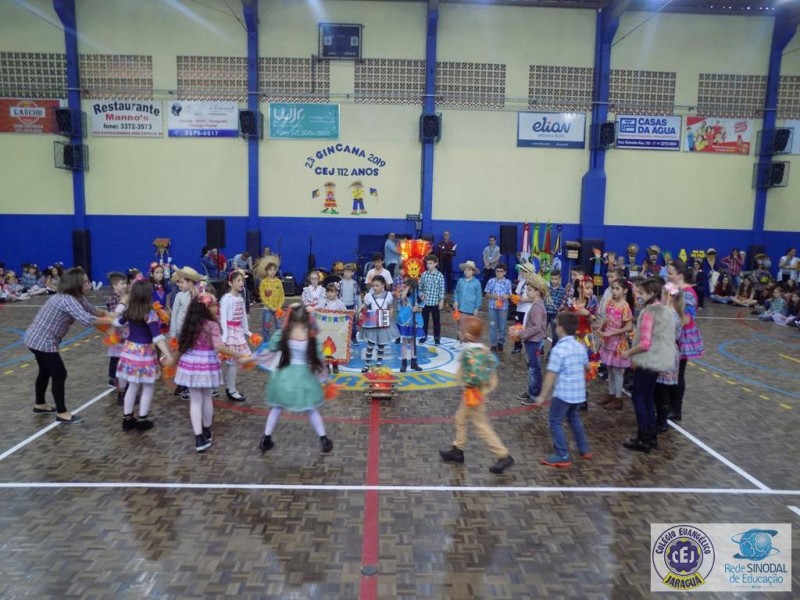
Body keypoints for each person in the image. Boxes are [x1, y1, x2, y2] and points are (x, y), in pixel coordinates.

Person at [24, 267, 113, 423]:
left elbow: (92, 310)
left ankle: (40, 404)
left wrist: (107, 314)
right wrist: (113, 321)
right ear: (75, 284)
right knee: (59, 373)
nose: (89, 284)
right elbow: (87, 320)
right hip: (42, 340)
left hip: (39, 338)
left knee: (45, 371)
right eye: (85, 282)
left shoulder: (77, 297)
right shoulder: (67, 299)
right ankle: (62, 413)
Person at [247, 303, 334, 454]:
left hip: (284, 376)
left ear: (291, 317)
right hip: (304, 378)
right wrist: (326, 380)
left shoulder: (283, 334)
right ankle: (324, 439)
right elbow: (320, 358)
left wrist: (252, 358)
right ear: (307, 318)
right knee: (311, 409)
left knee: (276, 407)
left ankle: (266, 439)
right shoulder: (312, 338)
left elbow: (271, 347)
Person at [439, 316, 515, 475]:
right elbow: (494, 363)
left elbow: (470, 376)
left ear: (468, 334)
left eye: (462, 330)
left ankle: (503, 455)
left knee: (481, 425)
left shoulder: (470, 353)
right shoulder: (481, 349)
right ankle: (458, 449)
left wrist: (469, 383)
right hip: (474, 393)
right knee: (460, 418)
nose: (460, 332)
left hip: (473, 394)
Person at [173, 293, 245, 452]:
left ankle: (199, 437)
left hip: (190, 364)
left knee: (195, 401)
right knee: (206, 397)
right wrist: (239, 354)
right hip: (206, 363)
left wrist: (172, 361)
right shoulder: (212, 325)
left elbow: (181, 346)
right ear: (205, 308)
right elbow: (219, 346)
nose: (216, 307)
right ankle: (206, 430)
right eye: (213, 305)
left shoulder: (190, 323)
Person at [620, 277, 677, 453]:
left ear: (651, 293)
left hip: (647, 360)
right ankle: (651, 437)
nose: (639, 296)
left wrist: (628, 353)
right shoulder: (666, 311)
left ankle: (643, 438)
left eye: (642, 293)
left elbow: (645, 343)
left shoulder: (648, 314)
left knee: (639, 398)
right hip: (658, 360)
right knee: (648, 398)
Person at [532, 312, 592, 468]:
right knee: (574, 418)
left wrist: (542, 396)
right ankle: (584, 449)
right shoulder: (580, 346)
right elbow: (588, 367)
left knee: (554, 422)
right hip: (578, 394)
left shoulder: (558, 350)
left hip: (563, 394)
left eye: (557, 324)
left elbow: (551, 375)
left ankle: (562, 455)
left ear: (561, 329)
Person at [115, 279, 174, 432]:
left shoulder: (130, 310)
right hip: (144, 353)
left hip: (129, 351)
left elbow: (118, 323)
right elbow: (157, 337)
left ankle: (127, 419)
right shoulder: (149, 313)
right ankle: (142, 419)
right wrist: (169, 355)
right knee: (147, 386)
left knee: (132, 385)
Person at [597, 279, 634, 411]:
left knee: (617, 371)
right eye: (613, 288)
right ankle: (611, 394)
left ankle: (618, 398)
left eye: (617, 289)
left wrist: (612, 333)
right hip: (608, 339)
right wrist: (601, 327)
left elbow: (629, 327)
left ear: (625, 290)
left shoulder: (625, 306)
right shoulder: (610, 302)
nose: (614, 291)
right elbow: (607, 318)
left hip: (618, 341)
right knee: (609, 369)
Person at [169, 266, 204, 400]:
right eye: (178, 282)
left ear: (190, 282)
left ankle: (190, 384)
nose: (179, 285)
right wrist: (173, 334)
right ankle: (181, 386)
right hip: (182, 332)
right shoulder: (179, 296)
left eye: (182, 282)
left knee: (192, 359)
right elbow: (174, 315)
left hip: (196, 332)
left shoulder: (200, 295)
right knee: (182, 358)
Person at [654, 282, 684, 433]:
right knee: (662, 388)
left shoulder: (668, 315)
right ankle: (661, 419)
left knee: (661, 389)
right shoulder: (676, 314)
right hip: (670, 351)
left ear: (668, 296)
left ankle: (661, 421)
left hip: (664, 352)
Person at [516, 273, 549, 405]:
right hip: (532, 340)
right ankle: (531, 390)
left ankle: (534, 394)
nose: (527, 292)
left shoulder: (537, 307)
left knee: (534, 368)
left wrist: (520, 333)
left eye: (529, 290)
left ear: (537, 292)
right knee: (531, 367)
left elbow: (536, 327)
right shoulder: (536, 304)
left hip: (534, 341)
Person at [219, 270, 252, 401]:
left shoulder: (240, 298)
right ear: (230, 283)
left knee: (233, 363)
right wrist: (225, 336)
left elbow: (243, 317)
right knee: (231, 362)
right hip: (230, 333)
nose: (241, 283)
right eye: (238, 280)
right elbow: (223, 318)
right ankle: (230, 389)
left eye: (242, 280)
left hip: (237, 332)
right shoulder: (226, 299)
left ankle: (231, 388)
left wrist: (247, 331)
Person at [360, 275, 393, 372]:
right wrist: (360, 310)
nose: (375, 287)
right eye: (373, 285)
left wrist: (390, 313)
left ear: (383, 285)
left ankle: (379, 364)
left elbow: (391, 307)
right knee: (370, 344)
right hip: (372, 322)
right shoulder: (369, 296)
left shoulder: (388, 295)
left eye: (377, 285)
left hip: (383, 322)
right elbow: (365, 305)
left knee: (381, 344)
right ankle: (367, 364)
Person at [395, 276, 424, 372]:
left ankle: (414, 362)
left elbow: (421, 308)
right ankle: (403, 362)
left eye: (407, 283)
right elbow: (402, 297)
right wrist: (407, 288)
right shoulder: (404, 293)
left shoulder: (420, 295)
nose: (405, 285)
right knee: (404, 340)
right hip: (405, 319)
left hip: (415, 320)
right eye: (405, 283)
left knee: (412, 341)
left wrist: (417, 309)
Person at [105, 271, 128, 389]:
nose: (125, 286)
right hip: (117, 331)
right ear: (114, 286)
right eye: (122, 283)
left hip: (125, 330)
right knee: (115, 356)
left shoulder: (123, 297)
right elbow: (115, 316)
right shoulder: (113, 299)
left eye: (125, 283)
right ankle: (113, 378)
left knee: (121, 355)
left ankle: (120, 376)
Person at [254, 255, 284, 342]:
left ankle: (279, 342)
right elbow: (263, 297)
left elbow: (282, 295)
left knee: (279, 326)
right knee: (266, 326)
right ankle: (266, 342)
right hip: (268, 309)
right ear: (267, 271)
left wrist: (279, 306)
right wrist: (271, 307)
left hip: (278, 309)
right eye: (270, 270)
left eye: (274, 270)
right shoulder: (263, 282)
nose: (272, 272)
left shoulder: (279, 282)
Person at [418, 254, 445, 345]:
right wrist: (421, 294)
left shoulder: (440, 276)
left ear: (435, 264)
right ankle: (423, 337)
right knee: (424, 321)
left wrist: (441, 301)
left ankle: (437, 339)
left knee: (436, 321)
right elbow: (420, 287)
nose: (428, 265)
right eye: (427, 263)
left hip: (435, 302)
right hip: (425, 303)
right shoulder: (424, 275)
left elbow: (441, 289)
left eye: (430, 263)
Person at [484, 263, 512, 352]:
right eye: (497, 271)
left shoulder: (508, 282)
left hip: (503, 308)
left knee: (502, 326)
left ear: (505, 272)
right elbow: (486, 294)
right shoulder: (491, 281)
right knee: (493, 325)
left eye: (501, 271)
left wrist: (507, 296)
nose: (499, 273)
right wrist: (493, 296)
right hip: (492, 307)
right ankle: (493, 344)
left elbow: (510, 295)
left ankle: (500, 342)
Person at [338, 263, 360, 343]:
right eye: (345, 271)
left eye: (349, 272)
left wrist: (359, 307)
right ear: (343, 272)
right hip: (342, 306)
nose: (347, 273)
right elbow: (337, 295)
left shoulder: (355, 283)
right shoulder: (340, 283)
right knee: (342, 322)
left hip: (352, 305)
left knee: (353, 323)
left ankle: (353, 337)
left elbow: (357, 295)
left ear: (352, 273)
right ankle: (342, 338)